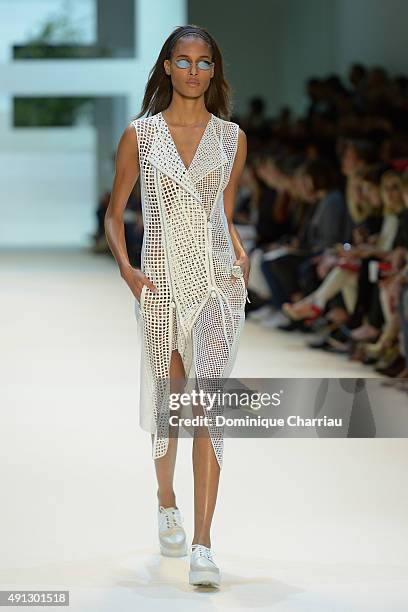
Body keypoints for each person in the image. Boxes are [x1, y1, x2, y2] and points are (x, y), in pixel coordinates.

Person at [104, 24, 249, 588]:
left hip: (218, 286)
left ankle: (205, 545)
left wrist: (241, 257)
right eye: (183, 60)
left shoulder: (232, 137)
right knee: (170, 410)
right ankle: (166, 501)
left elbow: (225, 212)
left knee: (209, 412)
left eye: (203, 61)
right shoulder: (141, 135)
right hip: (161, 285)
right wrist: (129, 272)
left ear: (213, 70)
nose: (193, 70)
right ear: (167, 67)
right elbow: (116, 214)